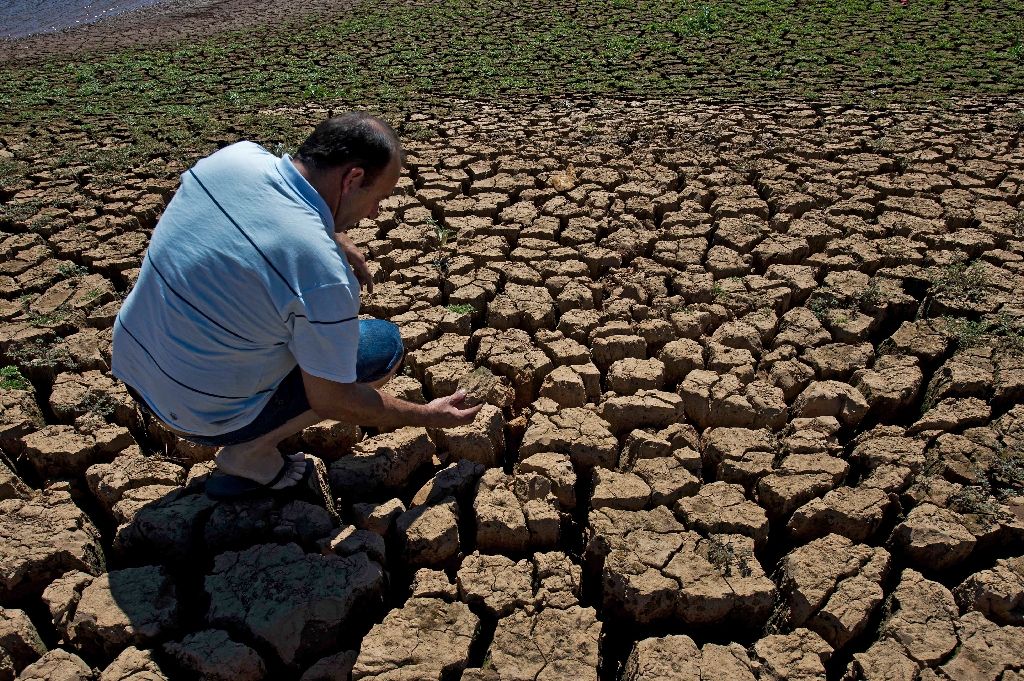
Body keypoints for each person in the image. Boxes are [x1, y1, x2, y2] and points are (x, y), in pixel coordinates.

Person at [111, 112, 481, 498]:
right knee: (380, 346)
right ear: (353, 179)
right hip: (199, 414)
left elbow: (263, 216)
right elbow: (335, 399)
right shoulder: (321, 271)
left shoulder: (231, 159)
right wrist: (428, 415)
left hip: (134, 366)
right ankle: (249, 453)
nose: (374, 213)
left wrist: (330, 234)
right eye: (378, 198)